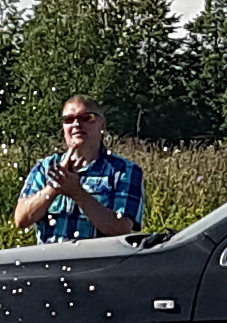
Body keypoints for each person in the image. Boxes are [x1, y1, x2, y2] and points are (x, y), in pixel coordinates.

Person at [13, 98, 148, 243]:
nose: (77, 124)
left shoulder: (124, 171)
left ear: (102, 125)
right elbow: (21, 219)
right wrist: (54, 188)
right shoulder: (45, 167)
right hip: (50, 262)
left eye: (86, 118)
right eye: (69, 119)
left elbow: (121, 228)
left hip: (97, 263)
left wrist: (77, 193)